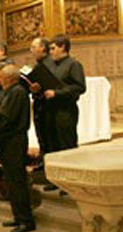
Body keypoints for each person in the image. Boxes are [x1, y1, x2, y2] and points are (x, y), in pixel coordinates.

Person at [0, 64, 35, 232]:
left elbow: (7, 117)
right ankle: (18, 216)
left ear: (8, 77)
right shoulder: (9, 92)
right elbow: (3, 111)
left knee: (17, 180)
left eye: (0, 76)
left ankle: (26, 220)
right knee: (10, 179)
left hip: (14, 140)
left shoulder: (17, 91)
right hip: (6, 139)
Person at [42, 34, 86, 191]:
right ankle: (57, 180)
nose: (51, 52)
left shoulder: (73, 64)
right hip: (51, 110)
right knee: (53, 145)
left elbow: (80, 87)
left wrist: (57, 93)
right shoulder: (52, 65)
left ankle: (71, 182)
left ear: (63, 47)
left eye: (53, 48)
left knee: (66, 145)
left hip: (65, 110)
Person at [27, 37, 55, 168]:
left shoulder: (51, 64)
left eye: (33, 47)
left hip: (48, 106)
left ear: (43, 48)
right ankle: (43, 160)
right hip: (40, 103)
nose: (31, 50)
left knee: (49, 138)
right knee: (41, 136)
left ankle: (49, 164)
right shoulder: (39, 64)